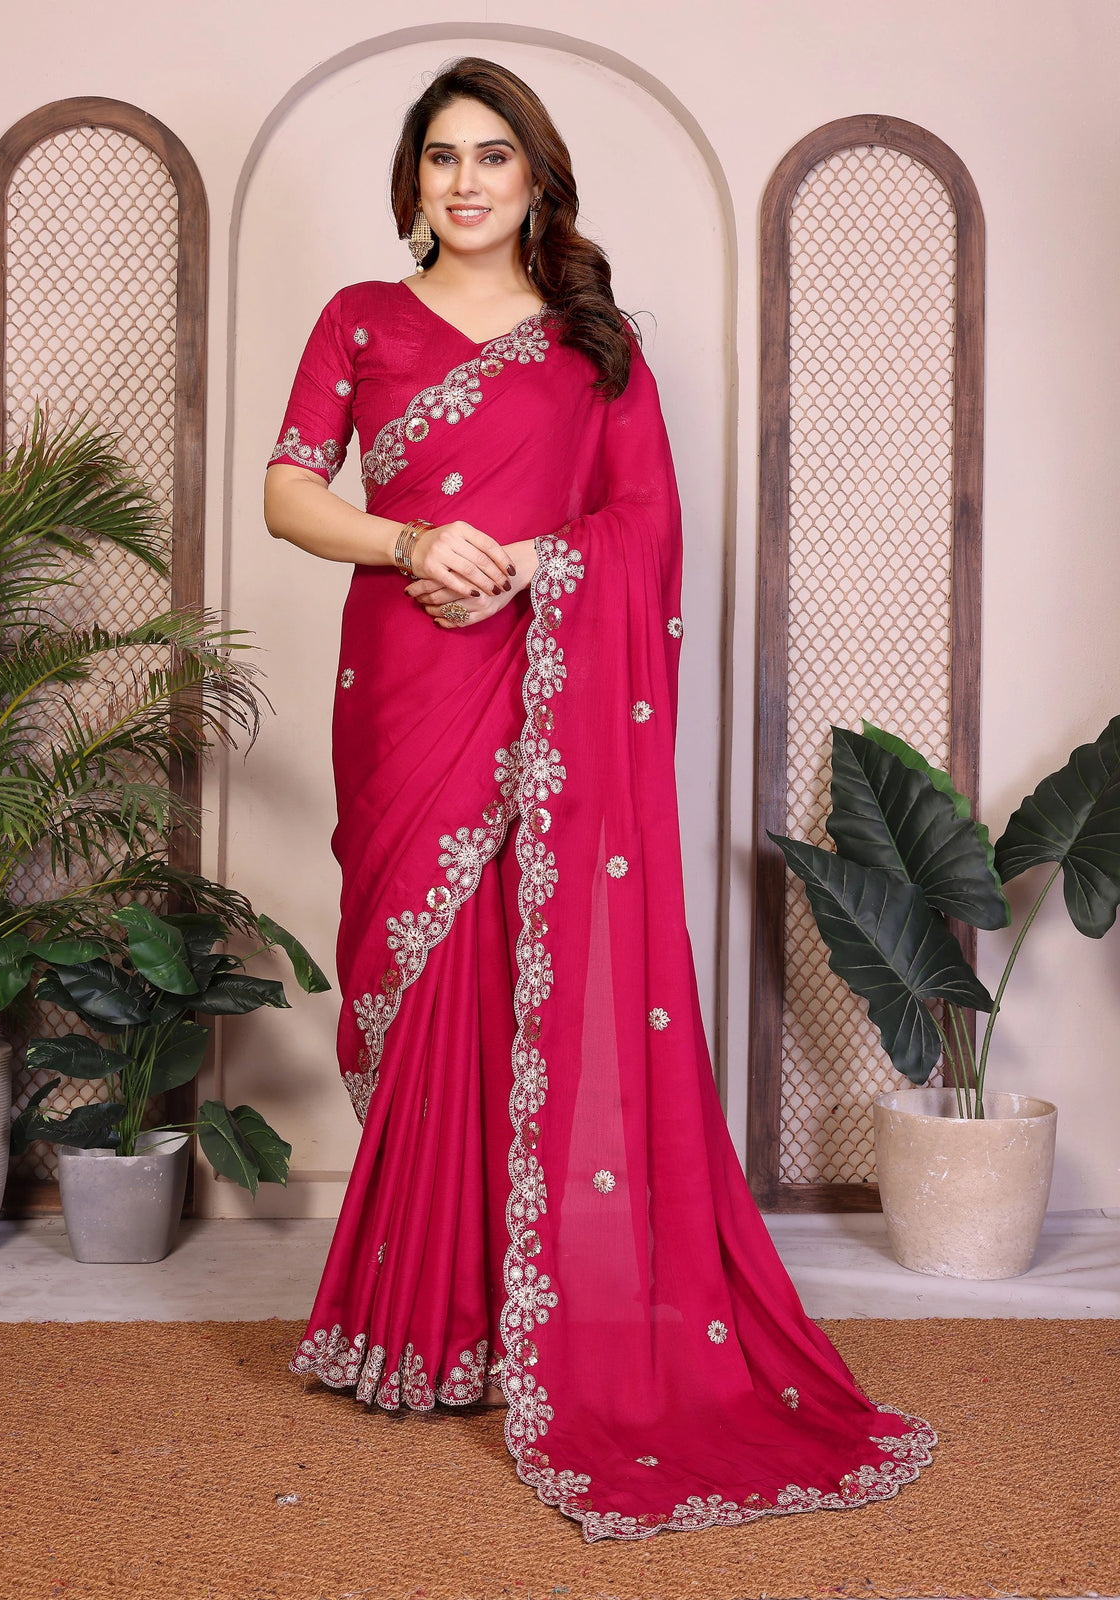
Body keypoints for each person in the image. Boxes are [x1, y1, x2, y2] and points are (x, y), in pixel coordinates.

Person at [263, 55, 936, 1544]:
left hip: (543, 682)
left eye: (492, 156)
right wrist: (406, 542)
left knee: (531, 972)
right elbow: (288, 489)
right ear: (413, 180)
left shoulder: (590, 340)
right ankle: (422, 1317)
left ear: (538, 177)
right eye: (440, 156)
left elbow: (644, 521)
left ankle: (522, 1315)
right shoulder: (359, 322)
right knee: (431, 971)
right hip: (409, 675)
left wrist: (538, 566)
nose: (465, 180)